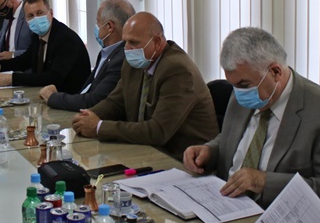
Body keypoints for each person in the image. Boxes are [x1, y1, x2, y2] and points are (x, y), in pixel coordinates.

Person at [181, 27, 320, 215]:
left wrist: (263, 182)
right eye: (233, 85)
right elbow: (235, 139)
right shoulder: (245, 92)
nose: (238, 93)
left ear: (275, 72)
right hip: (225, 207)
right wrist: (210, 151)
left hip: (283, 218)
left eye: (243, 85)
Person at [72, 11, 218, 157]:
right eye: (125, 42)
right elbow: (116, 102)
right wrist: (88, 116)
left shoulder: (177, 70)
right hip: (147, 150)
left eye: (133, 42)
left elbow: (158, 131)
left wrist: (99, 127)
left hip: (183, 158)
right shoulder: (136, 62)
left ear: (157, 42)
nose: (127, 48)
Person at [0, 0, 91, 93]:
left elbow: (53, 77)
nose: (36, 19)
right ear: (26, 20)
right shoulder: (38, 35)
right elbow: (25, 60)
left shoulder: (66, 39)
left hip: (69, 99)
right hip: (45, 94)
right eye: (30, 16)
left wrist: (12, 79)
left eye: (40, 13)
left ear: (51, 13)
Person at [41, 0, 134, 111]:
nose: (96, 26)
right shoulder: (106, 52)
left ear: (109, 27)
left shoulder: (121, 59)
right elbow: (86, 90)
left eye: (98, 21)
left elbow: (93, 101)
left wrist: (53, 97)